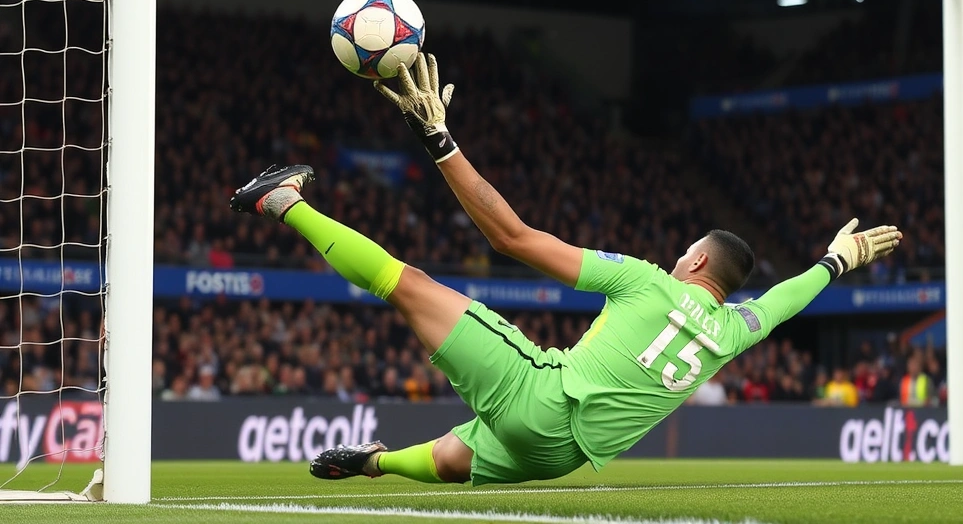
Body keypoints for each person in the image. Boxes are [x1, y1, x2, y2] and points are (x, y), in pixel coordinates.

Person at [228, 53, 902, 486]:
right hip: (559, 460)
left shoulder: (647, 280)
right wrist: (836, 262)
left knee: (409, 286)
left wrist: (439, 140)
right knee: (452, 457)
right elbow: (787, 299)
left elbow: (511, 236)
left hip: (543, 401)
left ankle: (281, 199)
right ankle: (373, 462)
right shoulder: (733, 331)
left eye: (684, 250)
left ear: (695, 260)